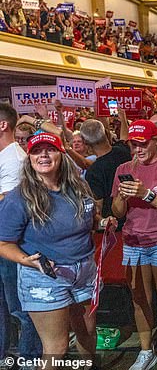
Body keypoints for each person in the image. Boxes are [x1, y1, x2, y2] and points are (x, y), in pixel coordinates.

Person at [0, 133, 110, 369]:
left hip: (85, 272)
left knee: (88, 335)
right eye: (37, 151)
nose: (43, 155)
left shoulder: (79, 186)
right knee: (57, 348)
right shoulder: (20, 198)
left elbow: (91, 219)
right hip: (45, 277)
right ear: (29, 158)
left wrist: (102, 223)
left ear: (62, 154)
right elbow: (3, 243)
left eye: (49, 150)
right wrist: (27, 261)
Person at [110, 120, 157, 370]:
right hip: (133, 239)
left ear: (156, 141)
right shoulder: (123, 168)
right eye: (134, 144)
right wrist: (121, 196)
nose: (138, 149)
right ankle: (145, 349)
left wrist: (146, 194)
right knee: (139, 297)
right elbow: (118, 212)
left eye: (143, 144)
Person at [0, 104, 41, 369]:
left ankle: (29, 357)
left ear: (3, 125)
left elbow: (10, 205)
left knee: (21, 308)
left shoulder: (14, 158)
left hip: (14, 246)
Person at [81, 119, 132, 231]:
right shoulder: (123, 150)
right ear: (107, 133)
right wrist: (122, 116)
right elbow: (124, 137)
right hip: (134, 219)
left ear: (85, 142)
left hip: (113, 227)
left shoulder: (93, 172)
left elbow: (97, 206)